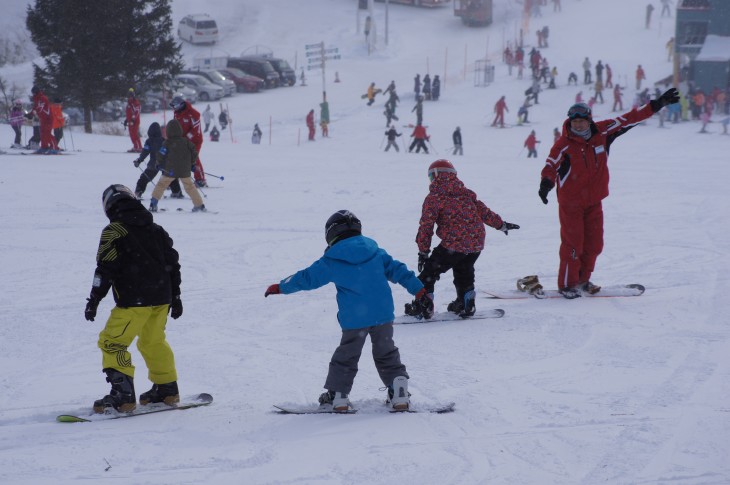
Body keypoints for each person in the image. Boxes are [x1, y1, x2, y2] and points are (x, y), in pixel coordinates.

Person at [264, 210, 431, 412]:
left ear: (331, 234)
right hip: (382, 314)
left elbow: (307, 278)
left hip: (354, 319)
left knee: (347, 355)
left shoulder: (332, 260)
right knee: (386, 352)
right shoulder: (376, 253)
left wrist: (281, 287)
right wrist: (420, 290)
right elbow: (400, 271)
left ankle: (338, 396)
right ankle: (399, 392)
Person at [537, 89, 680, 298]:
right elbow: (551, 165)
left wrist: (656, 105)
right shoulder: (563, 145)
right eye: (574, 121)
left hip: (594, 200)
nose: (578, 125)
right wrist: (546, 184)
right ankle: (568, 284)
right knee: (573, 244)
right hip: (571, 204)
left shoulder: (603, 132)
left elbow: (628, 119)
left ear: (589, 120)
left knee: (595, 244)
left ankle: (583, 280)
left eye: (582, 121)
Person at [84, 184, 183, 413]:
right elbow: (173, 264)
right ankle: (167, 389)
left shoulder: (114, 231)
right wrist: (175, 296)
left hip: (133, 301)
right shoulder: (156, 229)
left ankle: (123, 396)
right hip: (161, 298)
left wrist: (94, 299)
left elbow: (105, 268)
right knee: (152, 341)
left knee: (112, 342)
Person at [405, 160, 519, 318]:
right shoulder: (466, 193)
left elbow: (426, 226)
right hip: (475, 243)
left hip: (454, 245)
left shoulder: (434, 197)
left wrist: (423, 252)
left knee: (428, 274)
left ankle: (424, 306)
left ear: (437, 175)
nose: (431, 180)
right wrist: (501, 225)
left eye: (432, 176)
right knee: (464, 270)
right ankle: (466, 303)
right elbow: (485, 212)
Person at [148, 119, 207, 213]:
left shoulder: (167, 143)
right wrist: (192, 164)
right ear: (180, 130)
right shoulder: (186, 142)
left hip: (170, 170)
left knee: (161, 185)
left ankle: (153, 204)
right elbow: (194, 152)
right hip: (184, 170)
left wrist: (158, 163)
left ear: (168, 131)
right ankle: (199, 205)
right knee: (190, 187)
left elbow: (161, 155)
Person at [133, 121, 183, 199]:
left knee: (144, 178)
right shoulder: (164, 140)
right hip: (166, 164)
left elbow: (145, 152)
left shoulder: (149, 141)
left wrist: (139, 160)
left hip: (153, 164)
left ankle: (138, 191)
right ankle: (177, 192)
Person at [171, 94, 207, 188]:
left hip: (195, 140)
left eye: (175, 106)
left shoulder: (193, 114)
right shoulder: (177, 113)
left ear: (180, 105)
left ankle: (200, 179)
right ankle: (173, 181)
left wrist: (186, 138)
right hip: (182, 140)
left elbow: (196, 130)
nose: (173, 108)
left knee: (193, 158)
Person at [27, 86, 54, 152]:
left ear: (36, 92)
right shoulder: (36, 99)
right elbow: (35, 108)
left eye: (33, 93)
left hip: (48, 118)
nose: (33, 94)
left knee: (47, 133)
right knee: (42, 133)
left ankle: (54, 147)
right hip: (43, 119)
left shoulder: (43, 98)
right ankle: (44, 147)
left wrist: (33, 113)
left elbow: (40, 108)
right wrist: (30, 114)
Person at [124, 88, 142, 152]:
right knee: (131, 134)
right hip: (130, 122)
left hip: (135, 121)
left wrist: (133, 119)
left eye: (131, 97)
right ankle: (135, 146)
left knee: (135, 134)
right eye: (129, 97)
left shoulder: (135, 103)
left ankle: (139, 147)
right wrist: (126, 120)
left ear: (133, 96)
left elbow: (137, 112)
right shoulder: (129, 104)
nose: (130, 98)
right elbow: (129, 113)